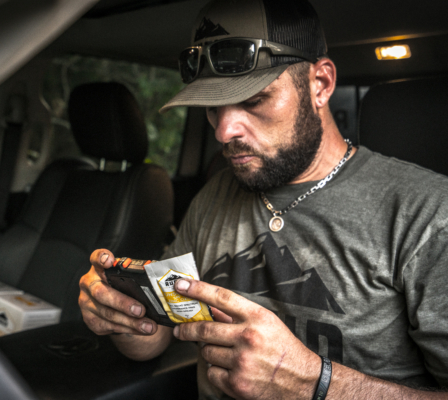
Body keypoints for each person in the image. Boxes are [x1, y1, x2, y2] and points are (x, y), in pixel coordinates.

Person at [78, 0, 448, 398]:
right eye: (212, 107)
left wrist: (314, 382)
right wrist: (122, 314)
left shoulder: (426, 214)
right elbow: (154, 340)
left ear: (320, 84)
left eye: (254, 100)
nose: (224, 131)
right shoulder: (215, 196)